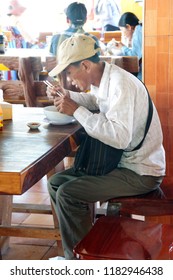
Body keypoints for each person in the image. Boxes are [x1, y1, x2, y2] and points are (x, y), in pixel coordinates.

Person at [46, 34, 165, 260]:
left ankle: (85, 263)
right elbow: (95, 102)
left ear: (85, 65)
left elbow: (119, 137)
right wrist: (67, 95)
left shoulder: (121, 84)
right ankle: (90, 250)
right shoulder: (105, 78)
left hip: (140, 172)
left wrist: (75, 110)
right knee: (56, 183)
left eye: (69, 73)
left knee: (68, 194)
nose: (68, 79)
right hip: (123, 165)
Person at [115, 12, 143, 80]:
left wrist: (123, 48)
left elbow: (135, 56)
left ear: (128, 27)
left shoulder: (138, 32)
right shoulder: (139, 29)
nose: (123, 33)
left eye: (122, 30)